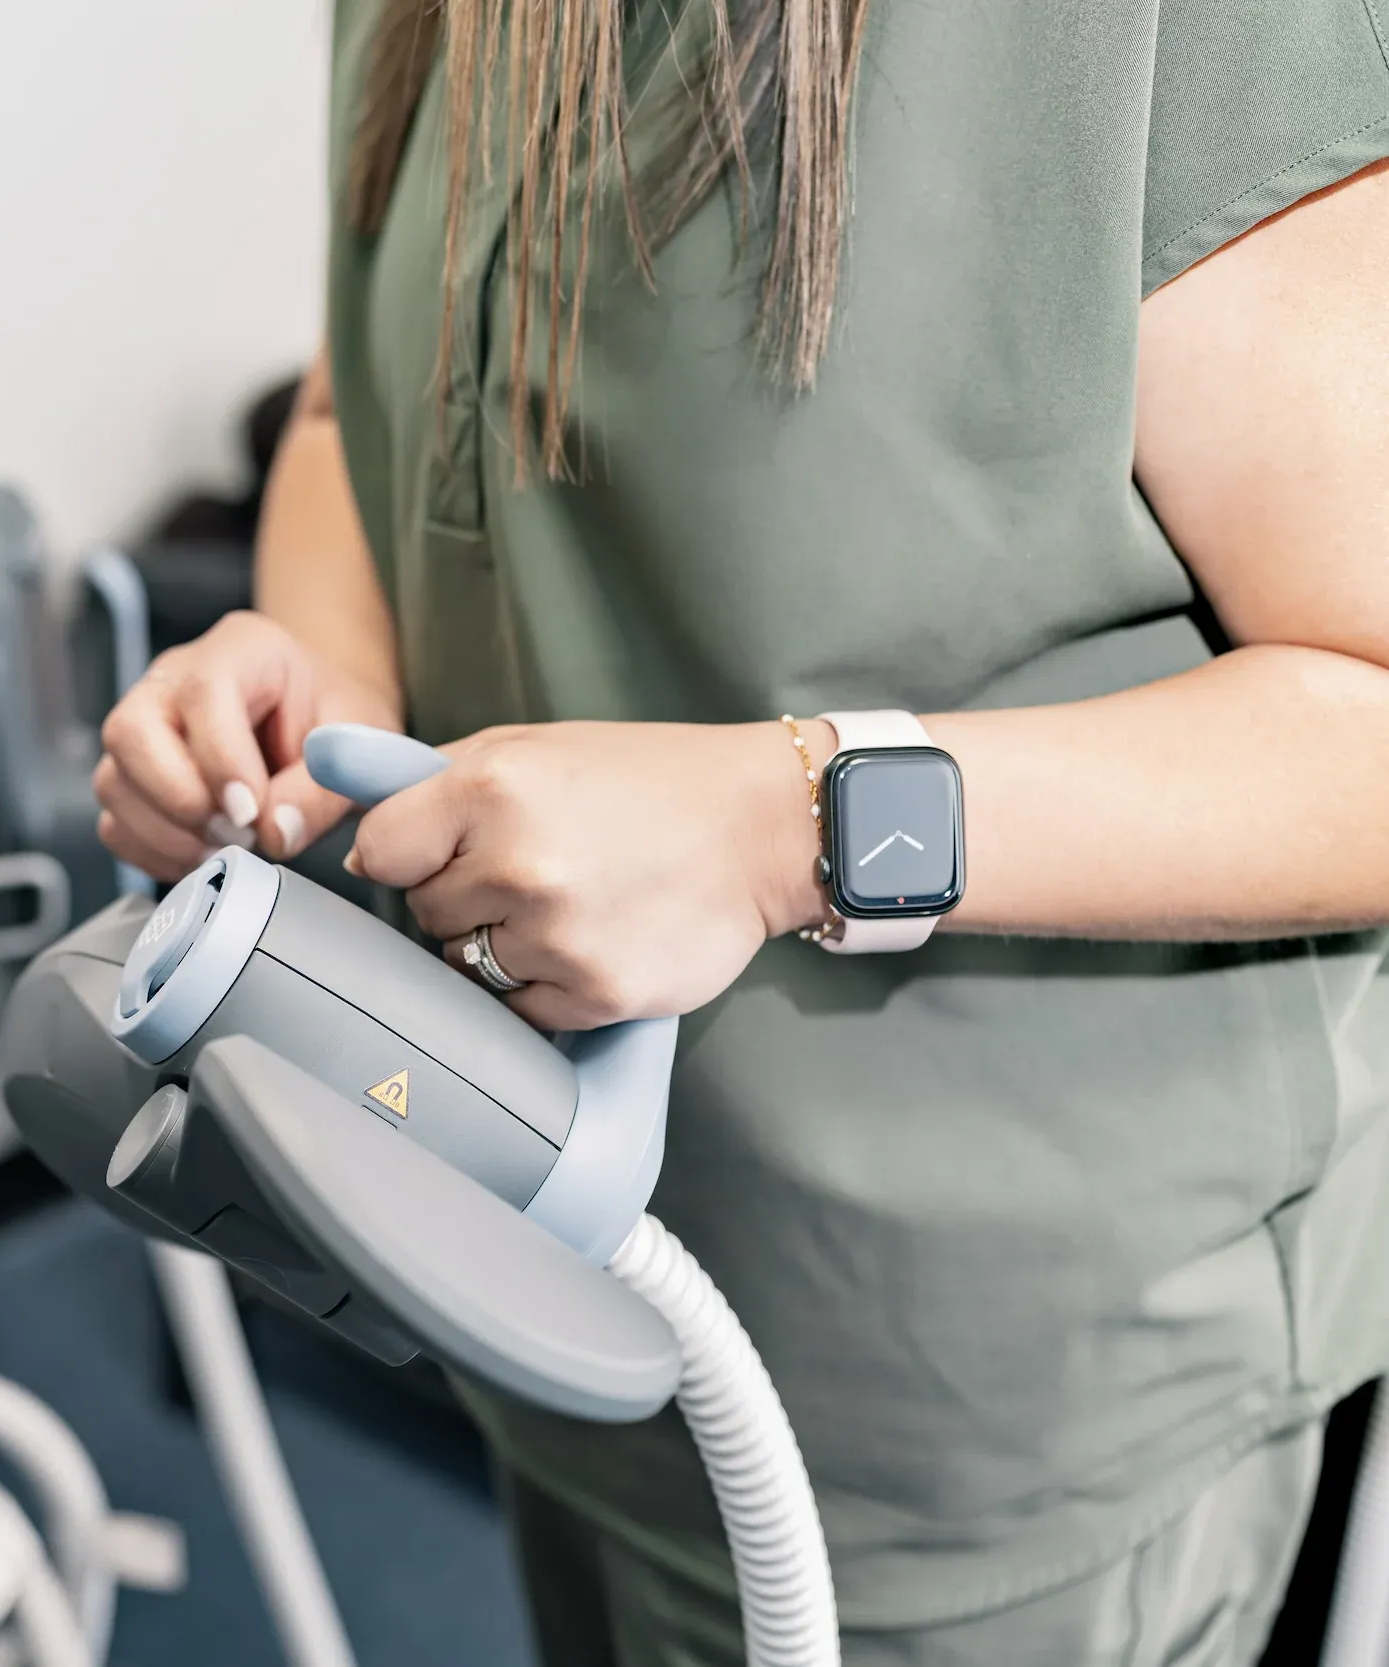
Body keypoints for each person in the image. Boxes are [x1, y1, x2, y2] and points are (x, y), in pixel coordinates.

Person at [91, 0, 1389, 1661]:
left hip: (969, 1418)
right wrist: (312, 691)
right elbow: (365, 413)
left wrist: (781, 826)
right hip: (540, 1267)